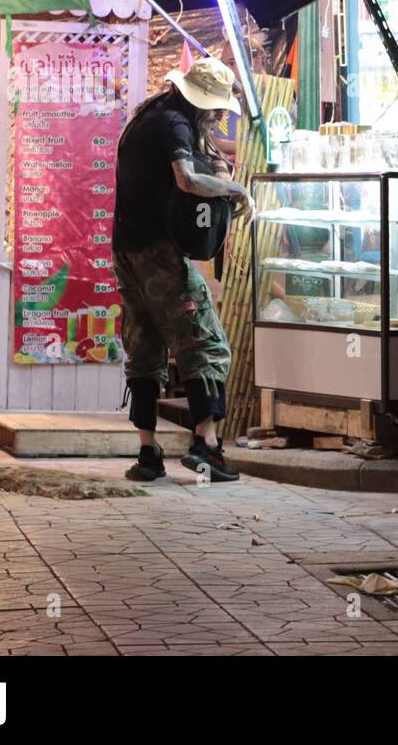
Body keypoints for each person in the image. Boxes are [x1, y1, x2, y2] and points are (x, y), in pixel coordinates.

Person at [113, 56, 254, 482]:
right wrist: (235, 190)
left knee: (145, 343)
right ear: (203, 103)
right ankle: (207, 446)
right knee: (205, 342)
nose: (215, 117)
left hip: (126, 249)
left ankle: (148, 452)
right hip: (157, 253)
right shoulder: (175, 123)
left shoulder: (149, 116)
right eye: (215, 110)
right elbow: (186, 180)